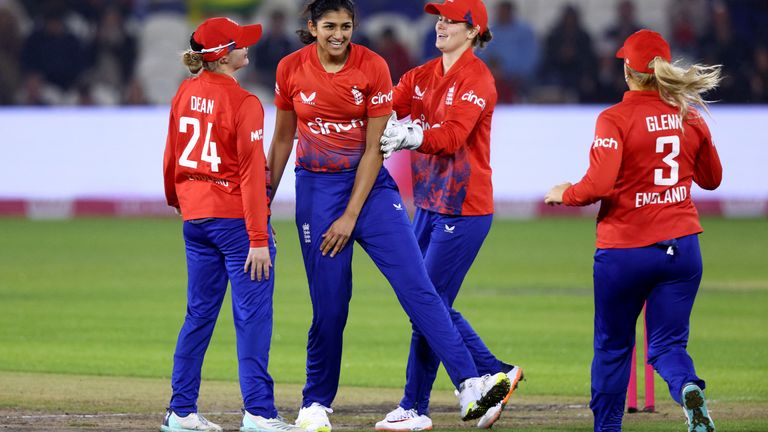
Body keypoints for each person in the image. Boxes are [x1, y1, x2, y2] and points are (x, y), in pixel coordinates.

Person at [267, 1, 511, 431]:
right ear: (312, 27)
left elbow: (375, 147)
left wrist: (351, 214)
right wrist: (263, 197)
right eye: (329, 26)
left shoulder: (373, 66)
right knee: (330, 305)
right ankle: (315, 404)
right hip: (317, 191)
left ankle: (470, 383)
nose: (338, 34)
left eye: (346, 26)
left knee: (418, 289)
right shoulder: (291, 69)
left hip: (373, 190)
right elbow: (283, 137)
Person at [544, 29, 722, 432]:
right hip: (682, 248)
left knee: (612, 346)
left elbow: (599, 184)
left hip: (625, 250)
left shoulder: (615, 118)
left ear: (628, 69)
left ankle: (608, 428)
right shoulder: (689, 116)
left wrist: (564, 194)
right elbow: (712, 179)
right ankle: (688, 387)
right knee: (667, 346)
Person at [375, 0, 523, 430]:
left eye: (450, 20)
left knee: (428, 303)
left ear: (473, 31)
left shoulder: (477, 78)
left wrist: (410, 134)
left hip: (465, 207)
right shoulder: (422, 75)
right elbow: (384, 104)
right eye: (438, 18)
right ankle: (494, 370)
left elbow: (454, 135)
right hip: (429, 203)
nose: (440, 25)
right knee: (426, 303)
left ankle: (415, 407)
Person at [161, 17, 304, 432]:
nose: (248, 47)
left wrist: (178, 200)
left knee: (199, 315)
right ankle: (259, 413)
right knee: (253, 319)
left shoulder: (184, 93)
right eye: (240, 43)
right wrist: (258, 238)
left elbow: (173, 156)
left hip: (197, 220)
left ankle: (181, 411)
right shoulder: (244, 103)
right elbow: (250, 175)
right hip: (236, 225)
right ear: (224, 55)